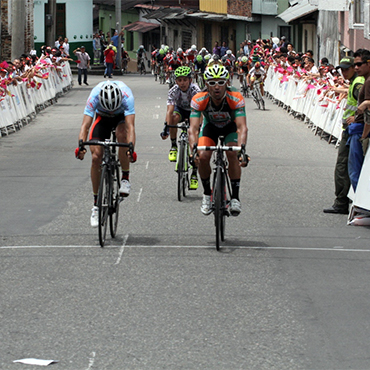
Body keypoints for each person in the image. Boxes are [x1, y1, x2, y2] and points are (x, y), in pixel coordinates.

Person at [189, 62, 249, 216]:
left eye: (221, 83)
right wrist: (193, 150)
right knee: (203, 156)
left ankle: (235, 197)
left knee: (232, 154)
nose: (217, 87)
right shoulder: (198, 99)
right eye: (212, 83)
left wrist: (242, 150)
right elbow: (193, 129)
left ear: (227, 83)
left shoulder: (235, 98)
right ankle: (207, 194)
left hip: (230, 127)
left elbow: (242, 127)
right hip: (210, 128)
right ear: (206, 84)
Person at [75, 81, 136, 227]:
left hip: (120, 118)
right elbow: (85, 125)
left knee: (122, 136)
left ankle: (125, 178)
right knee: (96, 157)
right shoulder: (94, 96)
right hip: (101, 119)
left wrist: (131, 149)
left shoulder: (127, 96)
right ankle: (96, 205)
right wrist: (81, 146)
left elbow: (131, 127)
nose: (110, 111)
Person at [323, 56, 365, 214]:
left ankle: (343, 202)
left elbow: (363, 102)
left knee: (344, 167)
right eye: (342, 69)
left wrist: (357, 118)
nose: (344, 72)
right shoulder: (355, 81)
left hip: (354, 129)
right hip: (352, 128)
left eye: (347, 68)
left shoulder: (359, 82)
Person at [160, 66, 201, 189]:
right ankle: (173, 146)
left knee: (193, 135)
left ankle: (194, 174)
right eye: (179, 80)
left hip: (194, 110)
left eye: (185, 80)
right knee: (173, 118)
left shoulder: (195, 90)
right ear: (176, 81)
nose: (182, 83)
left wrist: (198, 127)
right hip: (180, 110)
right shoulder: (174, 90)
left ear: (190, 80)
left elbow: (200, 110)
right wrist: (166, 128)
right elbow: (169, 111)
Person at [346, 49, 370, 191]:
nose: (356, 68)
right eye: (355, 65)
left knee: (356, 172)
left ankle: (362, 207)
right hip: (358, 127)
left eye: (360, 64)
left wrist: (363, 136)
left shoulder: (367, 83)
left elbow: (368, 114)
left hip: (361, 130)